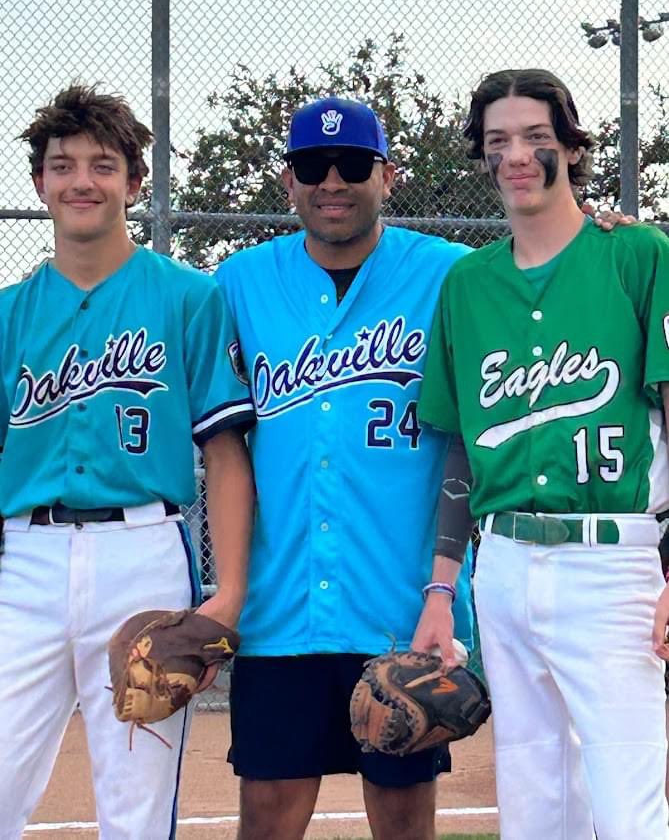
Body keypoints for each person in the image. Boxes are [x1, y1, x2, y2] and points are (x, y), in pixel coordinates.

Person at [215, 97, 476, 840]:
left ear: (387, 176)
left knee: (401, 820)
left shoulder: (449, 275)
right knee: (266, 818)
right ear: (288, 180)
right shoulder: (239, 282)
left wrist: (605, 227)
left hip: (397, 606)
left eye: (353, 164)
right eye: (311, 166)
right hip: (279, 607)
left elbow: (537, 273)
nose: (332, 180)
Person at [418, 68, 669, 840]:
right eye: (498, 142)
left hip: (614, 561)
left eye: (535, 137)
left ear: (569, 145)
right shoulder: (467, 285)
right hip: (503, 568)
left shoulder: (635, 256)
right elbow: (462, 444)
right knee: (533, 807)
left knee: (628, 806)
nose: (517, 155)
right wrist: (440, 589)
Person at [0, 84, 256, 839]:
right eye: (63, 164)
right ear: (39, 182)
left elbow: (225, 452)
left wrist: (229, 593)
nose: (82, 180)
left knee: (137, 802)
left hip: (142, 553)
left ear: (135, 183)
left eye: (103, 165)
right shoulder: (9, 312)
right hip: (26, 558)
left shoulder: (188, 297)